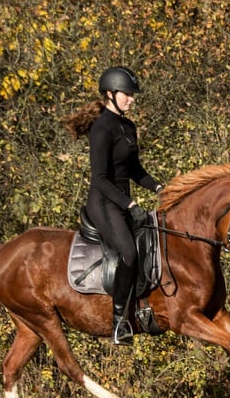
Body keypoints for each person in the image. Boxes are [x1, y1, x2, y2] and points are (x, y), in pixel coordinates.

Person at [62, 67, 163, 345]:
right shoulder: (101, 128)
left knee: (150, 243)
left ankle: (144, 309)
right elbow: (101, 179)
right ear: (110, 94)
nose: (131, 99)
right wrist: (131, 204)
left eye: (132, 95)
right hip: (104, 203)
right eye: (127, 94)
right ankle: (120, 323)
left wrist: (158, 188)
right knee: (129, 252)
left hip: (121, 201)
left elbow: (134, 169)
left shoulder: (127, 127)